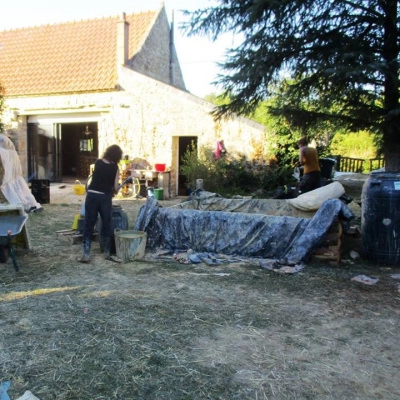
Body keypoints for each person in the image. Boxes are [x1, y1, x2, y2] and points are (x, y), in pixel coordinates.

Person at [79, 144, 123, 263]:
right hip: (104, 197)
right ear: (118, 156)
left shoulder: (98, 163)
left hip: (92, 195)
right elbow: (114, 187)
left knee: (89, 223)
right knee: (106, 223)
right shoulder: (115, 167)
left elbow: (95, 178)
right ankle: (107, 252)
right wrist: (116, 189)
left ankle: (86, 254)